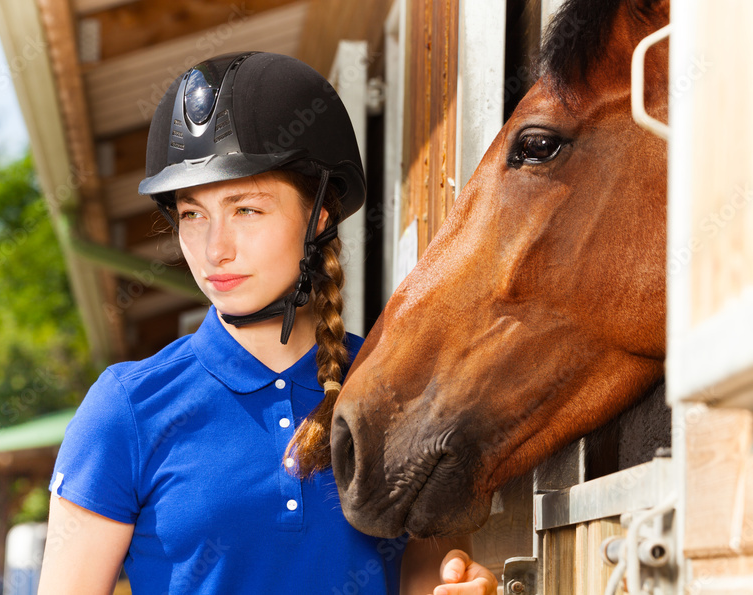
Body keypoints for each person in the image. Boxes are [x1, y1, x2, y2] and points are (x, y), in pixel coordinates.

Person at [37, 52, 497, 595]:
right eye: (192, 214)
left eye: (246, 210)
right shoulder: (125, 409)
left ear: (319, 214)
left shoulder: (397, 387)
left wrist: (461, 587)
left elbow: (425, 577)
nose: (215, 249)